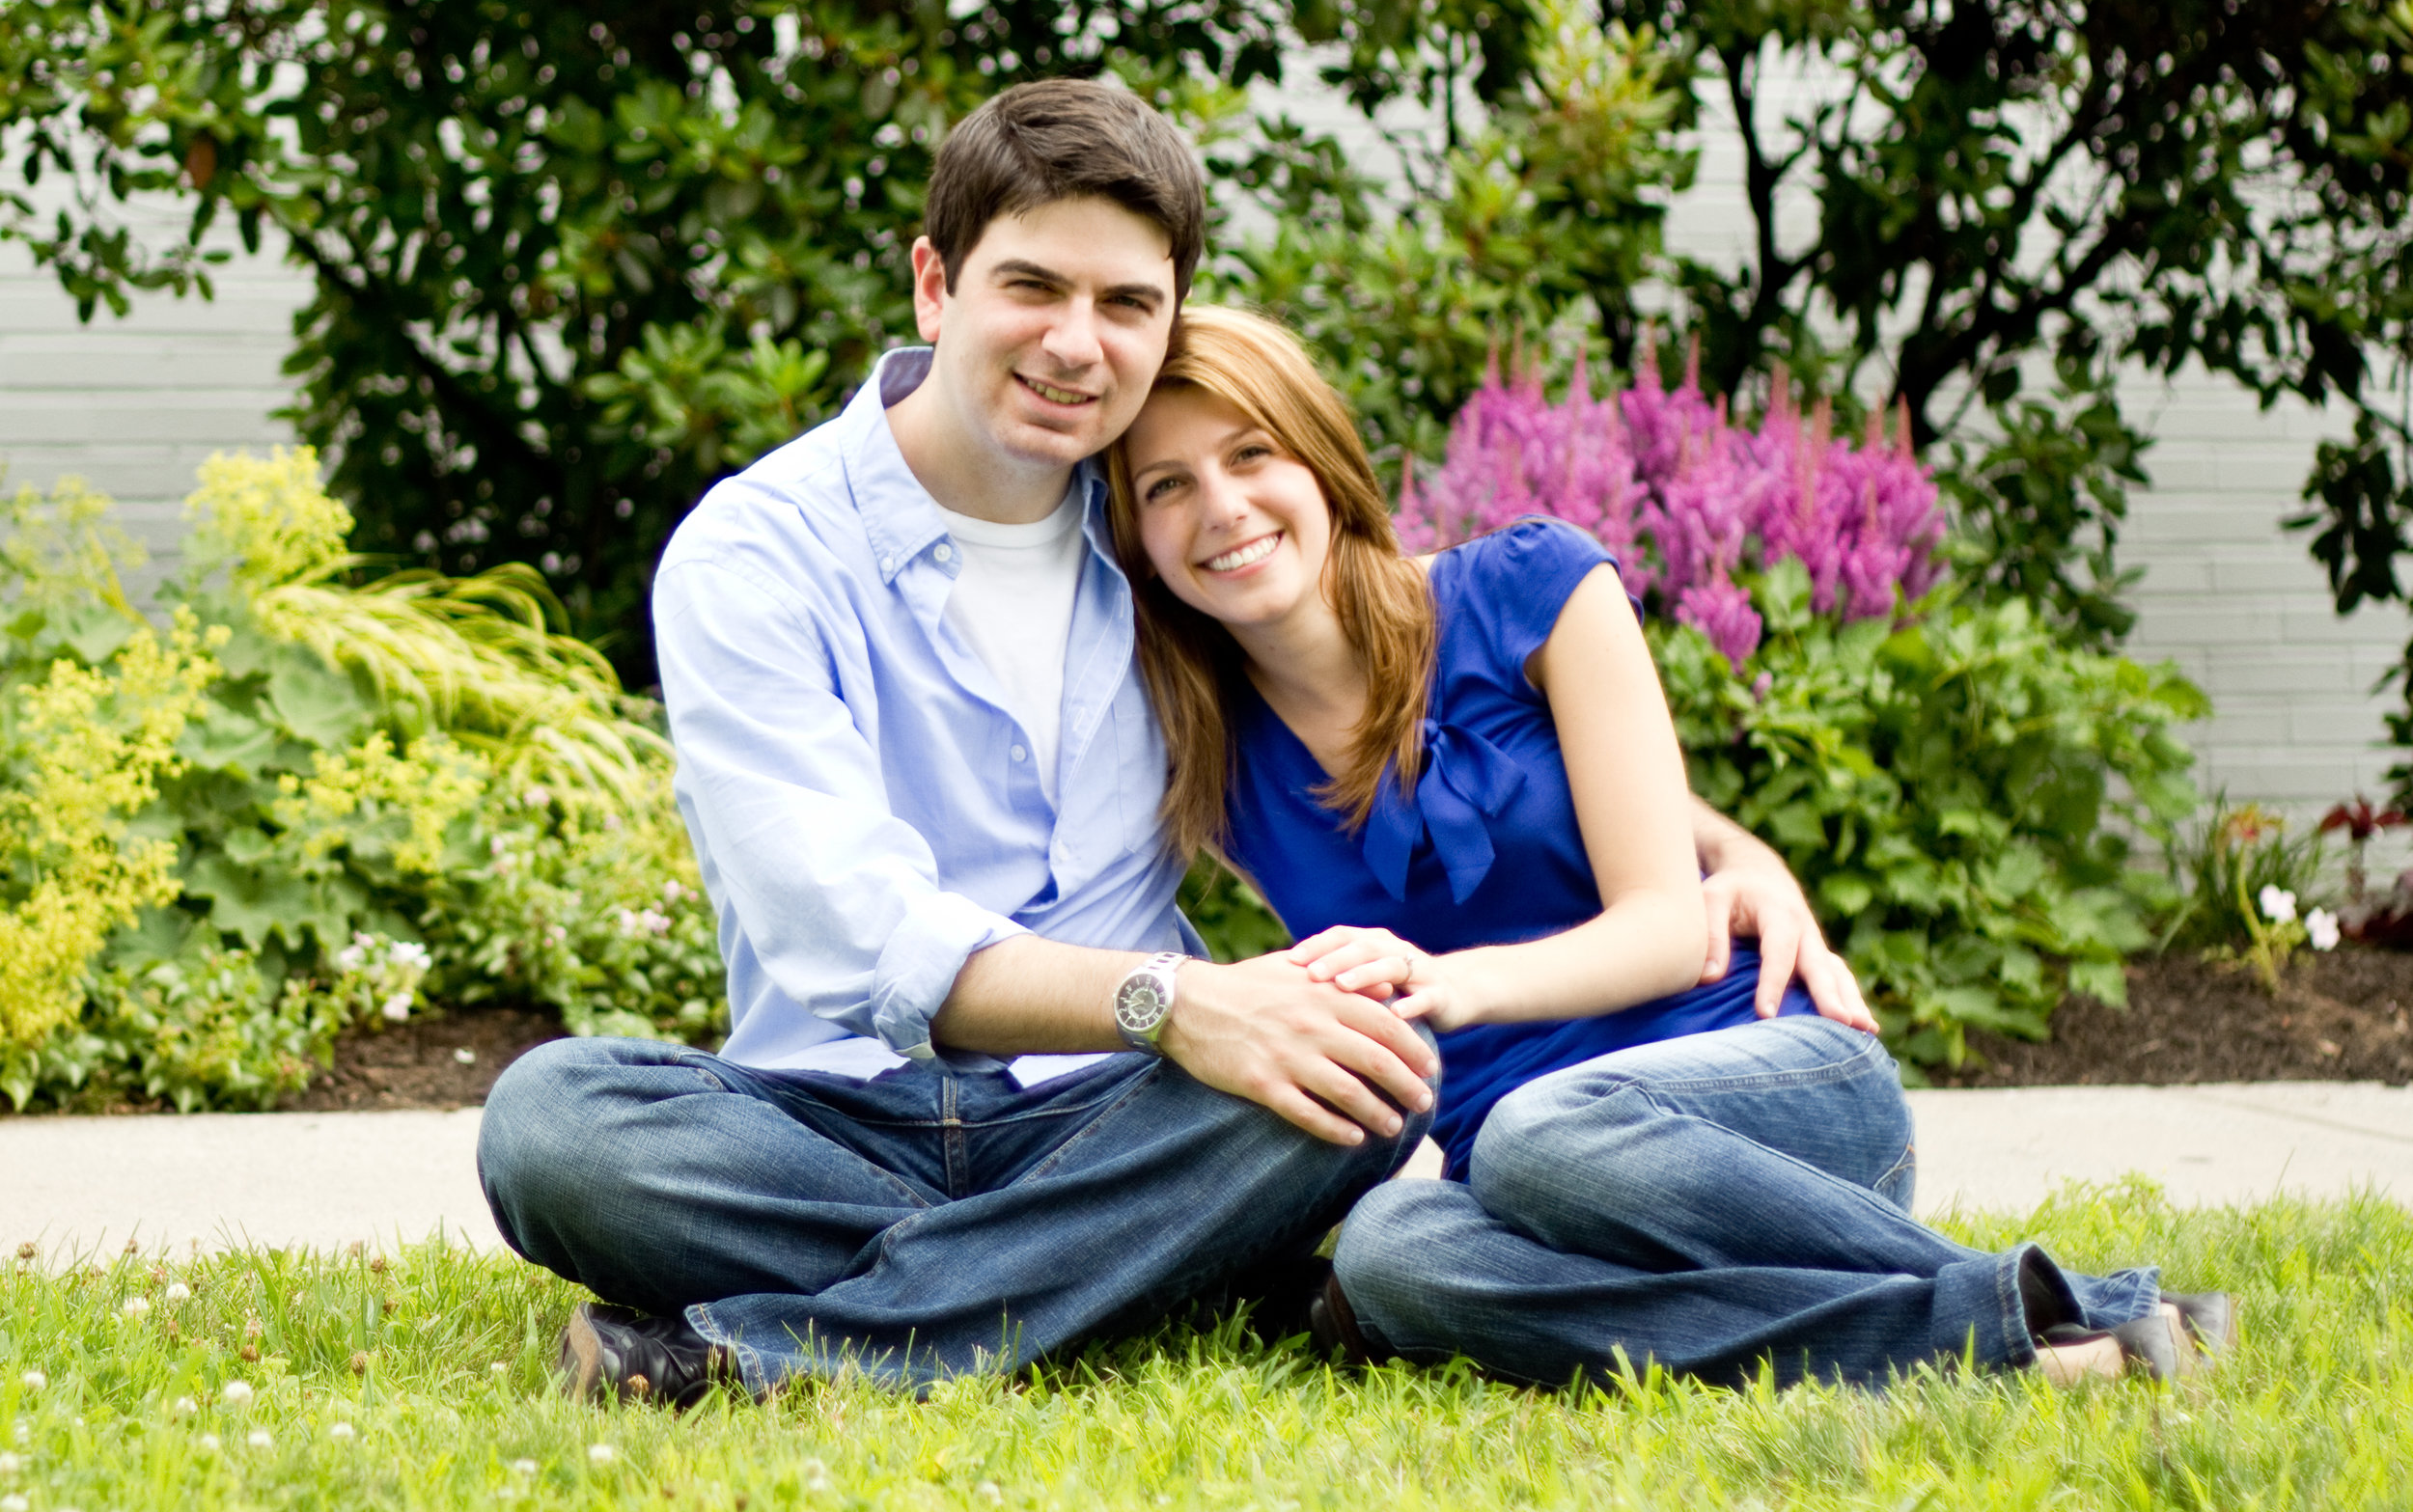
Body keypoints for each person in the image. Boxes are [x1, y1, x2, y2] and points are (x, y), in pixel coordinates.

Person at [476, 78, 1885, 1404]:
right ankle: (1145, 1266)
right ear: (934, 281)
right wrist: (1174, 999)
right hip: (835, 1116)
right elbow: (847, 932)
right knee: (551, 1123)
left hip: (1147, 1115)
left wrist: (1725, 851)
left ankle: (802, 1345)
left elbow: (1413, 704)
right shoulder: (757, 554)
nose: (1074, 342)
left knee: (1348, 1076)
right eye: (1031, 286)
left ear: (1167, 325)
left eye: (1124, 303)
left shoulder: (1173, 564)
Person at [1105, 303, 2236, 1388]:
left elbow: (1659, 922)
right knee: (1391, 1248)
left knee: (1533, 1132)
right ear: (1139, 541)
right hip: (1529, 1190)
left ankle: (2062, 1300)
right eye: (1168, 485)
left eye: (1251, 453)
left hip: (1760, 1091)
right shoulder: (1207, 764)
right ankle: (2021, 1331)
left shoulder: (1532, 590)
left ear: (1320, 459)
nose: (1222, 505)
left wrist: (1448, 982)